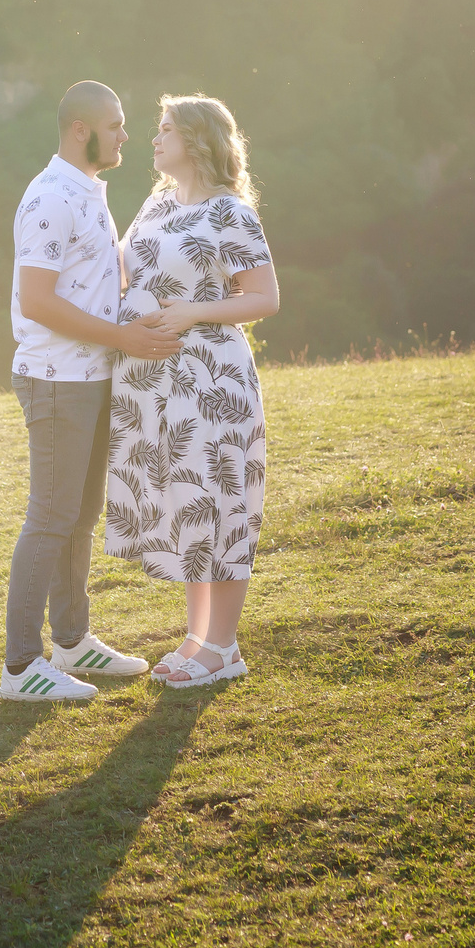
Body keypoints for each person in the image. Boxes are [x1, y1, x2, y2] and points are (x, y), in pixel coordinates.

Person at [0, 81, 178, 702]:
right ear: (81, 130)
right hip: (55, 381)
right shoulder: (50, 197)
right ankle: (21, 669)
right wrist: (122, 339)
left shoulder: (88, 192)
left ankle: (72, 642)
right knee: (49, 519)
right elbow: (38, 301)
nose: (127, 134)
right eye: (117, 123)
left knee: (78, 516)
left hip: (90, 376)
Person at [107, 94, 281, 688]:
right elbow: (131, 271)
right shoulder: (157, 203)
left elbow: (264, 298)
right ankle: (198, 635)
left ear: (198, 141)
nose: (152, 140)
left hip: (211, 378)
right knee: (188, 502)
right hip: (155, 379)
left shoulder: (230, 212)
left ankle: (225, 647)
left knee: (222, 500)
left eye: (164, 130)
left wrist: (189, 315)